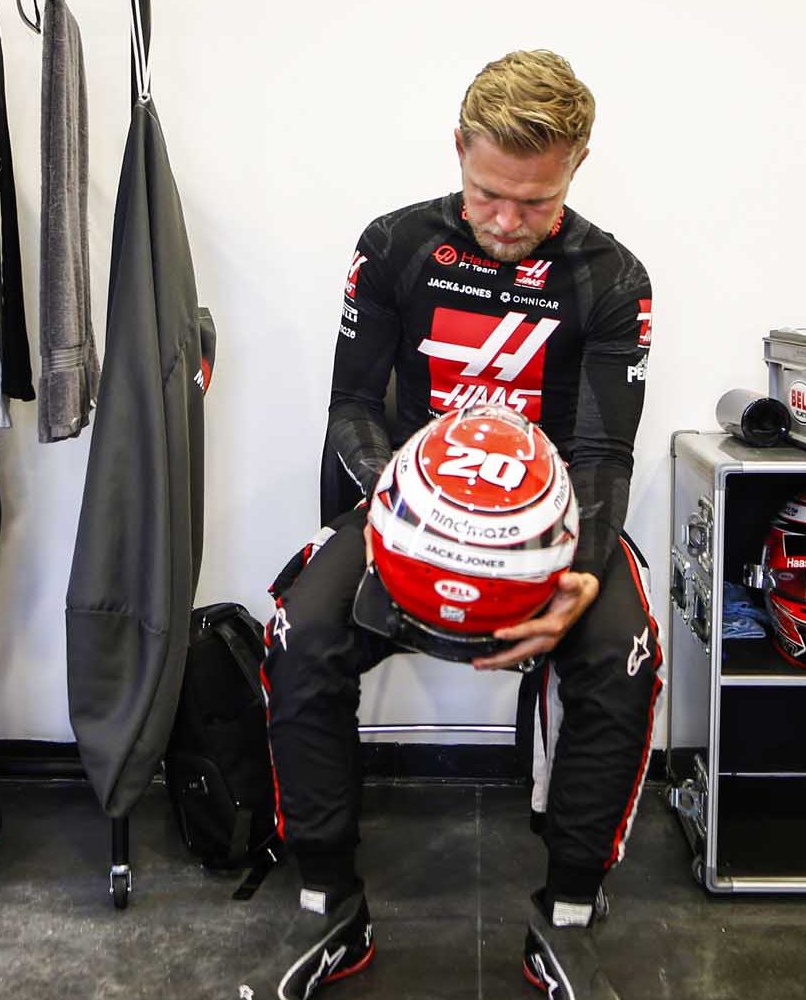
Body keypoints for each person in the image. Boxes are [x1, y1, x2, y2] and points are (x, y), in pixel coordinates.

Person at [244, 49, 660, 1000]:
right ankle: (328, 897)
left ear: (577, 167)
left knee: (622, 653)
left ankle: (569, 909)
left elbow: (601, 453)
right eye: (487, 194)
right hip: (405, 511)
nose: (509, 221)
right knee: (299, 633)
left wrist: (581, 576)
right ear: (458, 152)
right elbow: (351, 407)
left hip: (547, 527)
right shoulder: (394, 246)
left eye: (536, 201)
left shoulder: (612, 277)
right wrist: (416, 504)